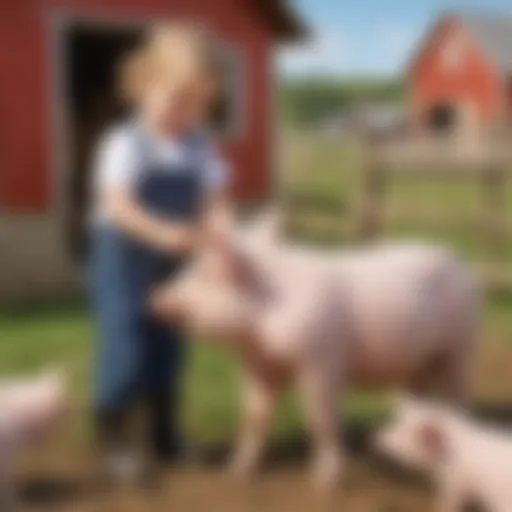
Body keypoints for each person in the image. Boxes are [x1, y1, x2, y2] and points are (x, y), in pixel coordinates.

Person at [89, 23, 231, 483]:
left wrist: (218, 228)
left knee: (168, 346)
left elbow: (215, 197)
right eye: (176, 100)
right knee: (127, 343)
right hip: (123, 258)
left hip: (171, 263)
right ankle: (115, 438)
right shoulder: (125, 143)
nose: (184, 113)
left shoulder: (198, 146)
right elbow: (118, 204)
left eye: (196, 105)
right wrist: (162, 231)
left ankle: (164, 433)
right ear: (141, 88)